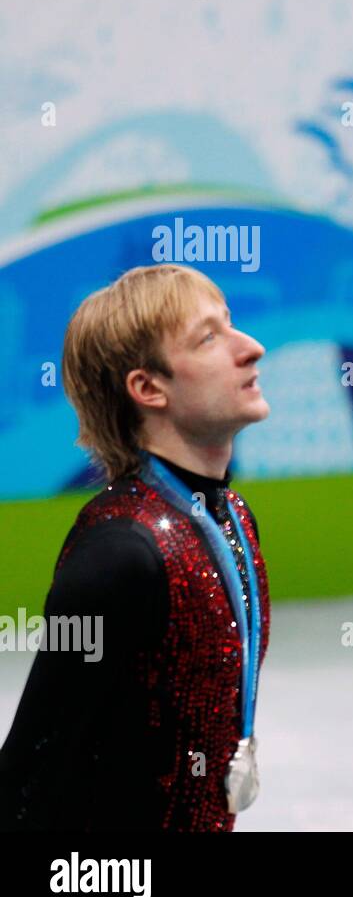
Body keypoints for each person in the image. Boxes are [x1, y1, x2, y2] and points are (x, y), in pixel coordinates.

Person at [0, 264, 271, 831]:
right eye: (210, 337)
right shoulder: (121, 550)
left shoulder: (231, 520)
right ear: (148, 388)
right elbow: (31, 774)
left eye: (231, 325)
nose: (252, 348)